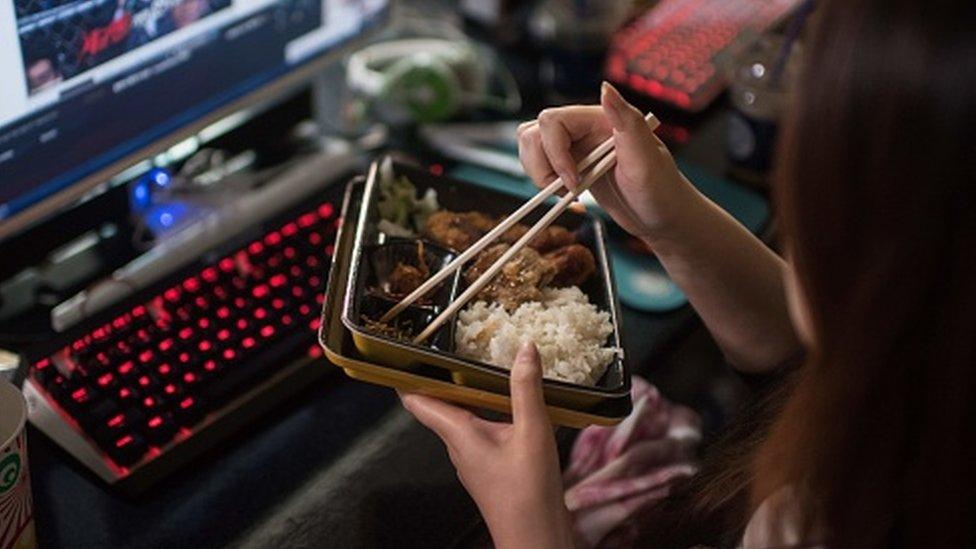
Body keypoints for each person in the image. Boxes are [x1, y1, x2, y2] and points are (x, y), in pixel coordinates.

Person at [400, 0, 976, 546]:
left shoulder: (839, 521)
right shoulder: (919, 387)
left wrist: (532, 529)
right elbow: (801, 361)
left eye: (812, 146)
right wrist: (669, 217)